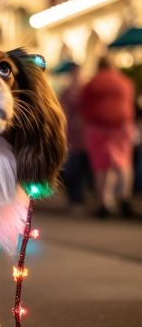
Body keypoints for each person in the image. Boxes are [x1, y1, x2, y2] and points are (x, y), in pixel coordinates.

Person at [81, 56, 136, 217]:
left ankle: (103, 204)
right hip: (122, 125)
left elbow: (83, 103)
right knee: (123, 162)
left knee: (101, 166)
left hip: (97, 126)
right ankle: (125, 199)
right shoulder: (124, 81)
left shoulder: (93, 83)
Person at [59, 63, 90, 215]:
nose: (78, 76)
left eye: (80, 73)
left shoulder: (87, 91)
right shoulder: (66, 93)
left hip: (85, 137)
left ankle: (79, 200)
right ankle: (74, 199)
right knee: (71, 170)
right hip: (70, 136)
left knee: (82, 170)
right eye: (75, 73)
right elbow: (60, 112)